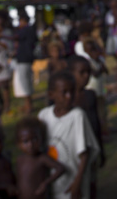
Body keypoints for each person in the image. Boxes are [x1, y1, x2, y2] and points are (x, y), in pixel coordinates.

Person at [38, 70, 99, 199]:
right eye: (64, 92)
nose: (69, 96)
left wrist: (78, 182)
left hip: (73, 182)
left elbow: (84, 154)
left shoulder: (77, 115)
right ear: (51, 94)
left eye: (72, 92)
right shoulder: (43, 116)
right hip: (54, 183)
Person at [69, 55, 105, 198]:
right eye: (81, 72)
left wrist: (100, 149)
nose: (86, 76)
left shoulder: (90, 95)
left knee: (91, 183)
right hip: (72, 149)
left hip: (90, 146)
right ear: (71, 73)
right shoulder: (66, 100)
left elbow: (96, 123)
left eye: (88, 72)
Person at [15, 116, 66, 199]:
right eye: (25, 141)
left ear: (41, 139)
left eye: (34, 139)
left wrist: (45, 183)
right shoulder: (20, 159)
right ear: (18, 144)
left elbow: (60, 168)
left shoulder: (42, 158)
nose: (30, 145)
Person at [82, 40, 108, 137]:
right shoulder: (88, 62)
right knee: (96, 113)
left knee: (103, 112)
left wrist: (101, 64)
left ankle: (105, 130)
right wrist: (101, 68)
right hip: (93, 90)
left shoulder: (100, 60)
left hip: (101, 90)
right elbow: (95, 74)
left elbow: (107, 71)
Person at [13, 13, 37, 115]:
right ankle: (27, 105)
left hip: (24, 59)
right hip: (27, 58)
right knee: (26, 81)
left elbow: (15, 37)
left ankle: (29, 106)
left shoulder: (26, 30)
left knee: (24, 82)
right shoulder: (30, 30)